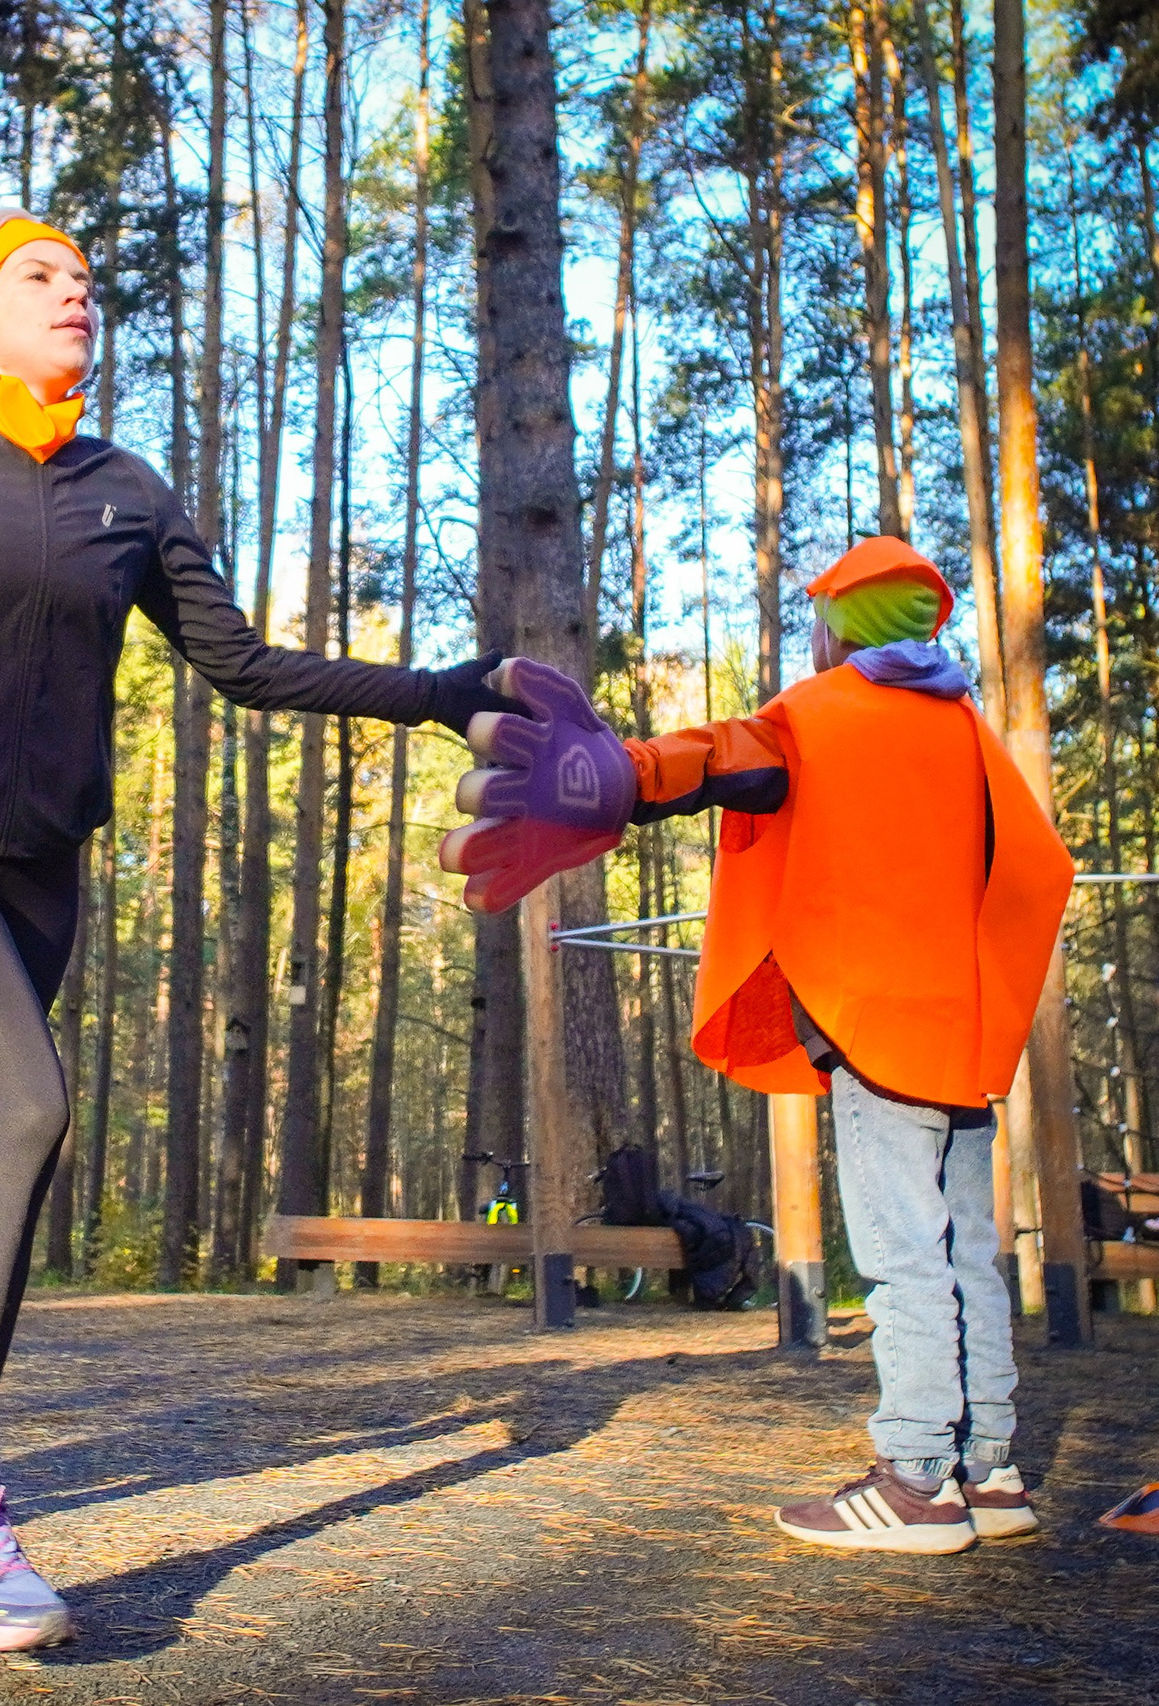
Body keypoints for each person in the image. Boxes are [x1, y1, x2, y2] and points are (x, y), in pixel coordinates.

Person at [0, 207, 526, 1650]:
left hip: (31, 879)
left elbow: (248, 666)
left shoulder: (127, 493)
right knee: (24, 1104)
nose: (74, 290)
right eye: (39, 274)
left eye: (85, 277)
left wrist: (441, 688)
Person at [445, 536, 1073, 1555]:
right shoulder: (967, 728)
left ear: (838, 626)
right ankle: (986, 1466)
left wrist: (612, 771)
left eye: (818, 615)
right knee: (966, 1252)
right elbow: (1037, 862)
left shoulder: (822, 714)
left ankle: (916, 1478)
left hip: (874, 1026)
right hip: (963, 1033)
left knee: (904, 1253)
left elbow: (720, 756)